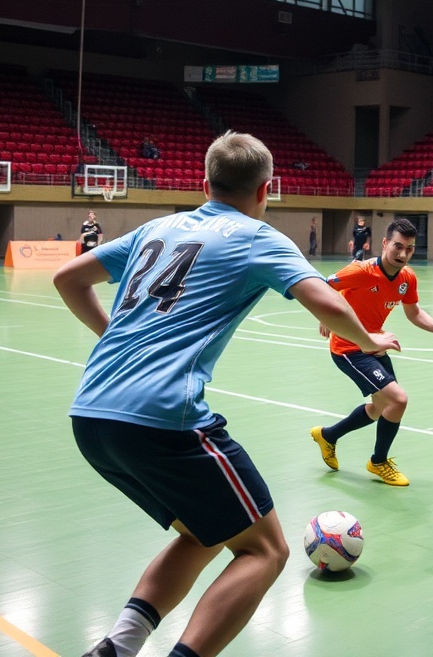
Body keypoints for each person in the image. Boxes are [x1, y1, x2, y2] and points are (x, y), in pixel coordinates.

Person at [53, 131, 397, 657]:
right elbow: (324, 301)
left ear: (205, 182)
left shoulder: (156, 227)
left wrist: (115, 340)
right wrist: (369, 340)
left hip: (90, 416)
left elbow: (67, 279)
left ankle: (116, 648)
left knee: (205, 532)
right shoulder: (257, 236)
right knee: (265, 550)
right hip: (162, 417)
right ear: (267, 191)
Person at [310, 218, 433, 487]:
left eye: (409, 249)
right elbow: (321, 286)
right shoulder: (361, 271)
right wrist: (327, 316)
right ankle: (379, 462)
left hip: (374, 345)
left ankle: (328, 435)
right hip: (348, 347)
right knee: (399, 400)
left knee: (381, 407)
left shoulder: (407, 278)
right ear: (384, 244)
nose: (403, 254)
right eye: (398, 246)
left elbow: (414, 313)